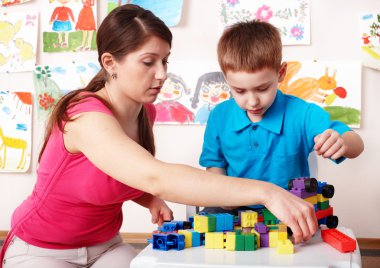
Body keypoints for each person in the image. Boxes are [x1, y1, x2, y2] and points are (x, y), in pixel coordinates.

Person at [2, 6, 320, 268]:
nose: (162, 73)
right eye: (149, 62)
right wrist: (267, 193)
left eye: (165, 60)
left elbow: (117, 172)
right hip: (42, 248)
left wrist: (145, 196)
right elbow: (155, 175)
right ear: (110, 63)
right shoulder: (83, 116)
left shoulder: (144, 113)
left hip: (105, 246)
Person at [199, 20, 364, 215]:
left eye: (262, 88)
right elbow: (214, 167)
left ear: (281, 73)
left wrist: (341, 142)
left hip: (288, 208)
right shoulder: (220, 116)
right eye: (239, 90)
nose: (252, 101)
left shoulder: (303, 114)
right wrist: (224, 196)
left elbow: (357, 145)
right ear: (226, 79)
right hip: (234, 206)